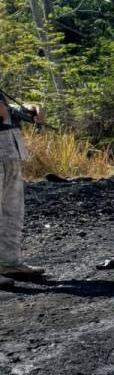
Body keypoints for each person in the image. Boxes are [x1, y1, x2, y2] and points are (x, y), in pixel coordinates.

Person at [0, 92, 45, 283]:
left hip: (10, 153)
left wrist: (29, 109)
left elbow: (5, 112)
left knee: (12, 212)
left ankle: (9, 263)